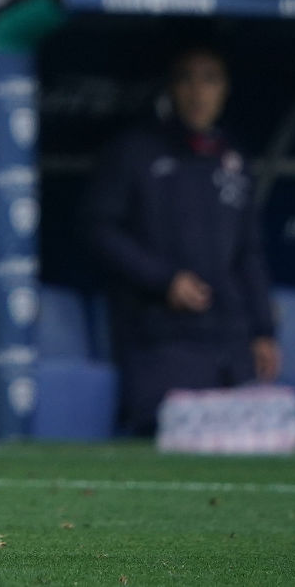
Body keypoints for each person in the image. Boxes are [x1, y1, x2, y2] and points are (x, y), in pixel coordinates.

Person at [88, 48, 280, 434]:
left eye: (210, 79)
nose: (198, 92)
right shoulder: (134, 152)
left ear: (225, 89)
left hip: (231, 343)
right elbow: (98, 228)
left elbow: (248, 254)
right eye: (187, 79)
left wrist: (263, 332)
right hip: (161, 339)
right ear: (170, 88)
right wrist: (165, 280)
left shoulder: (234, 159)